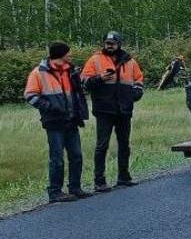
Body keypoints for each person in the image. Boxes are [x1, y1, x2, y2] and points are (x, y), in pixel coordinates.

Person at [24, 42, 91, 203]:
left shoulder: (71, 71)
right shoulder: (39, 73)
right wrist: (49, 107)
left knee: (76, 155)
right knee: (57, 158)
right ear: (60, 54)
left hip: (71, 120)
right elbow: (30, 95)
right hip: (54, 122)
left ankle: (75, 188)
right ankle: (55, 192)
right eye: (68, 53)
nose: (70, 55)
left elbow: (76, 93)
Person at [82, 31, 144, 190]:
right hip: (104, 109)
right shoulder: (95, 60)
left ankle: (123, 177)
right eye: (107, 43)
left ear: (119, 44)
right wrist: (99, 78)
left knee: (124, 144)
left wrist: (136, 93)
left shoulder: (130, 61)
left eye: (112, 43)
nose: (109, 45)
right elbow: (84, 81)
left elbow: (138, 79)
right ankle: (99, 181)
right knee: (102, 145)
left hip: (124, 109)